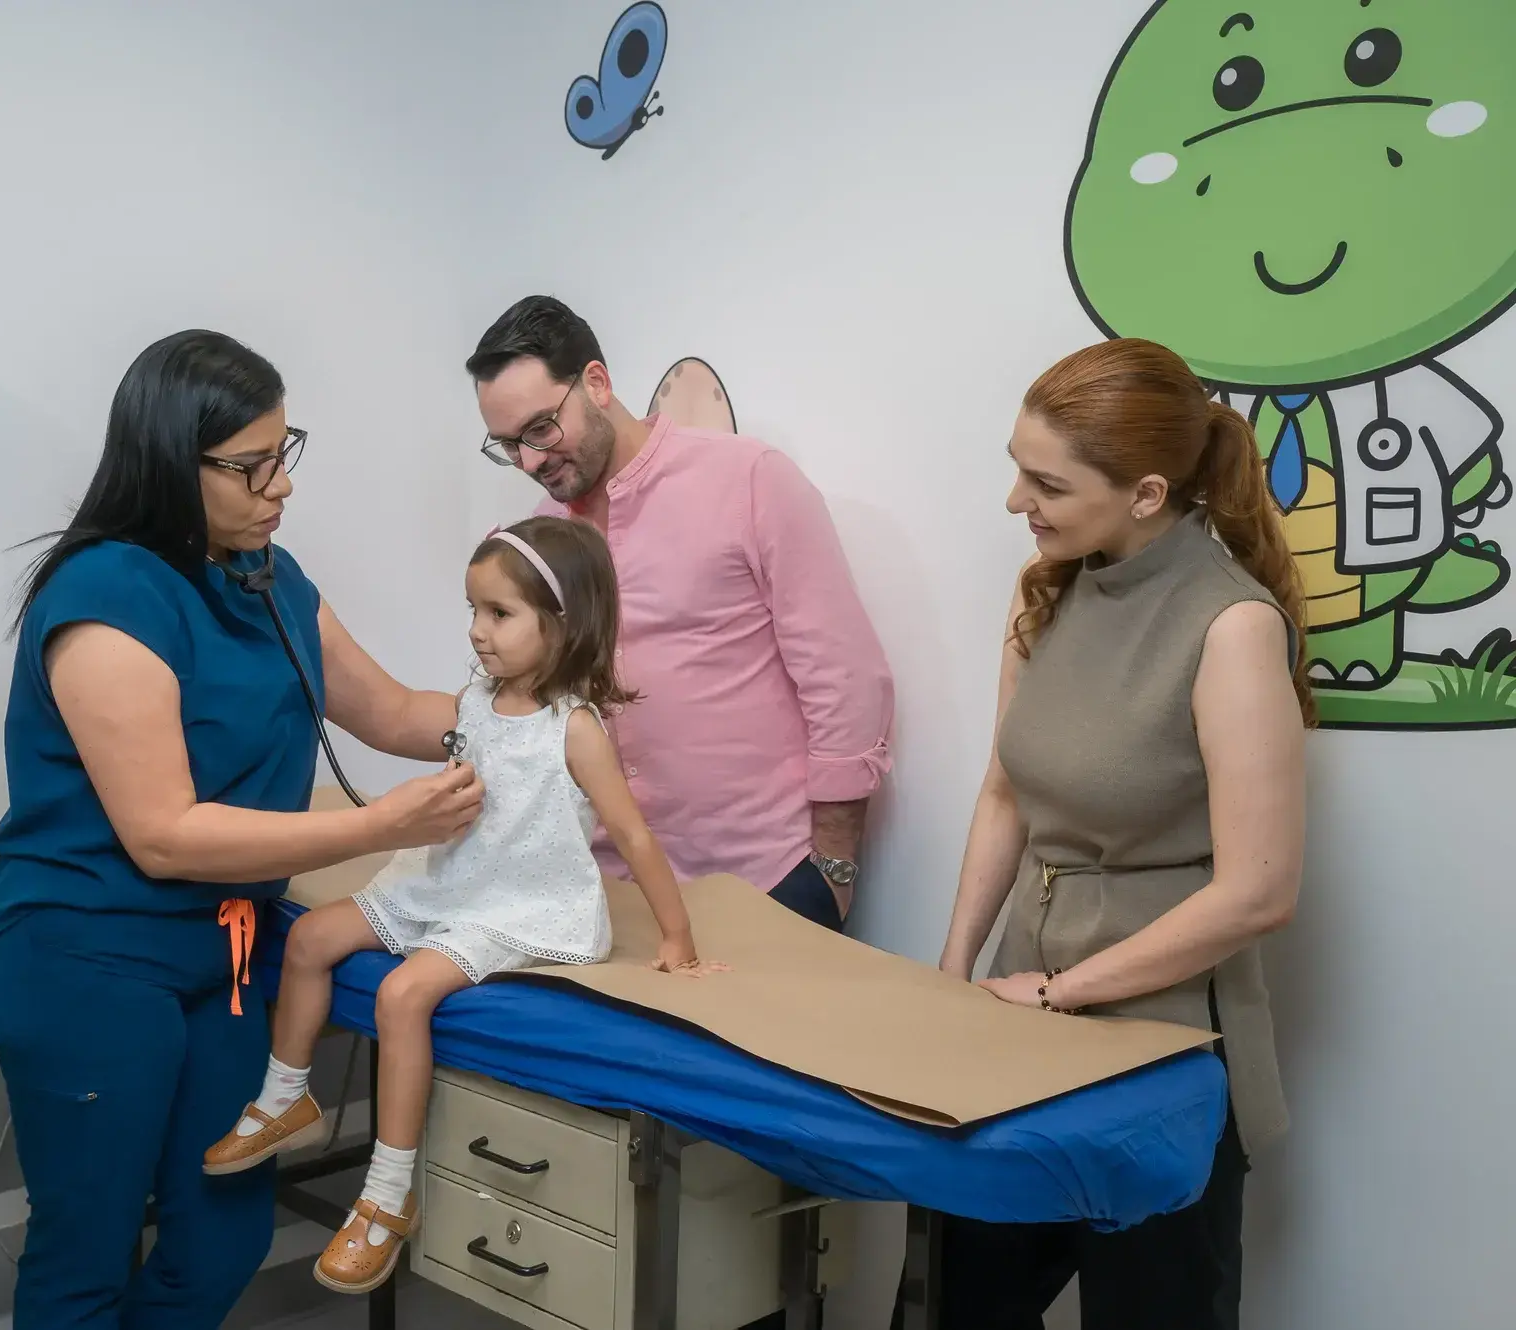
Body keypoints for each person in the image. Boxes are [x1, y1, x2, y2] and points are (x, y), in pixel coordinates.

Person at [0, 330, 488, 1328]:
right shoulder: (104, 597)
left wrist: (532, 722)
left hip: (230, 953)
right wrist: (379, 823)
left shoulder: (269, 578)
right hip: (90, 956)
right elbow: (163, 834)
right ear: (175, 461)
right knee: (85, 1250)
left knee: (224, 1238)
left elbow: (387, 711)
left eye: (282, 453)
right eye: (250, 466)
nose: (279, 486)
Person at [201, 515, 717, 1295]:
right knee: (310, 941)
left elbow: (635, 837)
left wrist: (675, 935)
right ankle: (285, 1099)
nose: (477, 633)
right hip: (448, 878)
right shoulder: (475, 700)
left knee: (405, 996)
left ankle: (386, 1193)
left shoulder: (573, 730)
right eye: (473, 610)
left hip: (515, 902)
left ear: (564, 623)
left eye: (499, 615)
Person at [922, 339, 1312, 1329]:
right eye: (1017, 467)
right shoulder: (1044, 589)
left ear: (1144, 493)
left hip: (1161, 1043)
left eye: (1043, 481)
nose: (1016, 500)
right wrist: (953, 969)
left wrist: (1060, 992)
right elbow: (1005, 794)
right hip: (1019, 1007)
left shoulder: (1229, 626)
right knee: (959, 1301)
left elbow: (1257, 892)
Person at [467, 296, 894, 933]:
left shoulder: (750, 478)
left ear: (597, 382)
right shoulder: (538, 543)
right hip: (608, 888)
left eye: (540, 430)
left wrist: (831, 868)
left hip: (764, 878)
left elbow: (844, 677)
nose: (530, 461)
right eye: (508, 445)